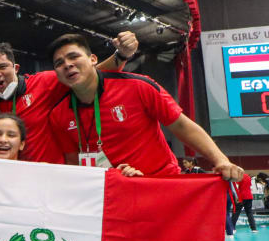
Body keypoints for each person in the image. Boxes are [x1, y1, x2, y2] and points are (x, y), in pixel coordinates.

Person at [46, 33, 242, 182]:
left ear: (93, 59)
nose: (68, 65)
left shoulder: (138, 86)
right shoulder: (58, 114)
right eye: (59, 63)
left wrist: (220, 160)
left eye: (74, 57)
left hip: (160, 183)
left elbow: (183, 127)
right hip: (112, 196)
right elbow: (74, 160)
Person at [0, 32, 138, 163]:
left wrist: (122, 55)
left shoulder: (44, 82)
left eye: (2, 67)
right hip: (16, 180)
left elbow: (90, 73)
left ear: (16, 68)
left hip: (52, 179)